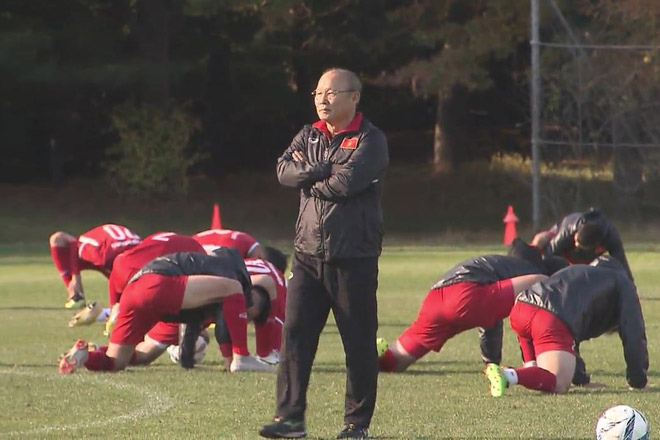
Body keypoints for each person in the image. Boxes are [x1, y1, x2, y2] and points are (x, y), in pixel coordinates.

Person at [259, 68, 389, 440]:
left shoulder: (371, 139)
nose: (322, 99)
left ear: (354, 97)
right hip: (307, 254)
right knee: (295, 336)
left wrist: (311, 175)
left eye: (331, 93)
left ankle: (356, 425)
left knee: (359, 342)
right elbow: (284, 171)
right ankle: (291, 419)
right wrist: (320, 169)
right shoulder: (309, 133)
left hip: (354, 258)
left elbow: (347, 184)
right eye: (317, 93)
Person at [58, 248, 271, 374]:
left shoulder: (208, 281)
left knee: (116, 362)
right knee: (232, 289)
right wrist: (233, 358)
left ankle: (86, 355)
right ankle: (243, 357)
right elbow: (231, 300)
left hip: (134, 290)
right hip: (158, 283)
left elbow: (196, 322)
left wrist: (200, 359)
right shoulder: (233, 275)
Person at [484, 256, 648, 396]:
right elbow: (634, 334)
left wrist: (581, 380)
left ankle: (529, 371)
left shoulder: (578, 274)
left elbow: (570, 340)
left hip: (521, 307)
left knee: (541, 369)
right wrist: (638, 382)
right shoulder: (622, 283)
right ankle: (507, 375)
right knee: (559, 383)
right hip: (549, 318)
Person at [376, 255, 548, 373]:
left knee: (397, 360)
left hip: (436, 298)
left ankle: (370, 357)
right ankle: (530, 366)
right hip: (465, 295)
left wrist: (492, 363)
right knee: (542, 283)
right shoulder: (536, 272)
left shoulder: (509, 266)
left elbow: (490, 321)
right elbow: (534, 290)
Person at [49, 224, 141, 308]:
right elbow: (62, 239)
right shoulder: (97, 251)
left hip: (113, 250)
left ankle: (76, 295)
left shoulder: (100, 254)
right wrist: (74, 278)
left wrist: (75, 278)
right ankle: (76, 295)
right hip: (132, 249)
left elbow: (65, 240)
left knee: (129, 296)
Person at [531, 208, 633, 280]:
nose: (575, 244)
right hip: (560, 248)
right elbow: (550, 255)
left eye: (578, 244)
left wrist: (631, 289)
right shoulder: (567, 230)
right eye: (576, 241)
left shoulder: (612, 237)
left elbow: (622, 264)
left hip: (586, 256)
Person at [193, 228, 267, 260]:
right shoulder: (244, 238)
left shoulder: (194, 238)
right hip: (227, 269)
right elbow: (261, 259)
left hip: (197, 269)